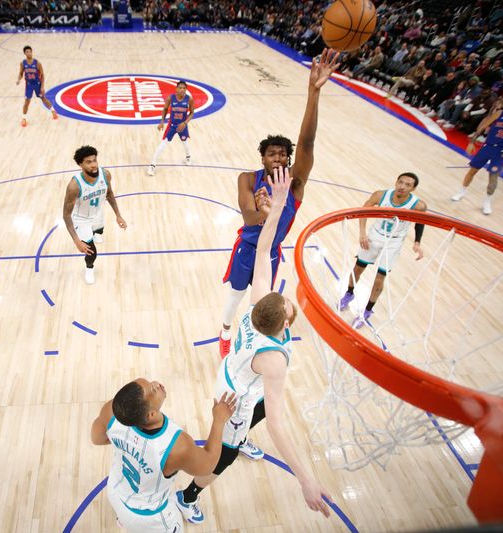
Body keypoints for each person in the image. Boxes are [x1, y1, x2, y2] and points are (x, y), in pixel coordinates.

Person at [176, 167, 334, 524]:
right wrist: (306, 479)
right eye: (289, 304)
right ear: (285, 324)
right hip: (233, 399)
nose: (286, 298)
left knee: (259, 406)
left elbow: (265, 248)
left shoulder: (258, 304)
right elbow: (279, 424)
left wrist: (278, 206)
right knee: (224, 457)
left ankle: (241, 435)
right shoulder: (274, 360)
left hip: (238, 375)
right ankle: (188, 496)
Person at [219, 49, 339, 357]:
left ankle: (250, 342)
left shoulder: (295, 183)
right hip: (247, 247)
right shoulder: (248, 178)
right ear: (262, 158)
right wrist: (261, 211)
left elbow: (308, 142)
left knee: (259, 304)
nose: (278, 157)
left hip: (270, 252)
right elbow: (248, 219)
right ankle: (224, 331)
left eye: (283, 154)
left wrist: (313, 93)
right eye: (272, 153)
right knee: (234, 297)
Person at [90, 380, 237, 532]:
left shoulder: (114, 411)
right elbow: (209, 465)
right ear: (151, 414)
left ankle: (124, 520)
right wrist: (219, 421)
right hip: (148, 518)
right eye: (152, 390)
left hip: (116, 491)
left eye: (150, 382)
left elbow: (97, 439)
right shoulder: (176, 446)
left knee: (125, 516)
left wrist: (126, 444)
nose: (156, 384)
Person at [338, 173, 427, 329]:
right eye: (400, 182)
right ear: (396, 181)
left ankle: (367, 311)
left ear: (413, 189)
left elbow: (420, 223)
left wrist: (417, 243)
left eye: (407, 185)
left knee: (380, 277)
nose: (402, 186)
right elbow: (363, 211)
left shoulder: (418, 205)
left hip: (394, 242)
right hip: (375, 236)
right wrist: (362, 233)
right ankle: (349, 294)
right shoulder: (380, 195)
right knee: (358, 269)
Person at [450, 93, 503, 214]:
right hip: (487, 146)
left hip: (502, 151)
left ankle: (487, 202)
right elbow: (484, 125)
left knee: (493, 178)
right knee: (472, 170)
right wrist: (472, 141)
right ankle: (461, 192)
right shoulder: (500, 113)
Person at [62, 145, 127, 284]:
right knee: (91, 251)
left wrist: (118, 215)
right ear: (80, 164)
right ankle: (89, 268)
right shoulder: (74, 186)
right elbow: (66, 215)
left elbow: (109, 194)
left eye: (94, 160)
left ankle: (96, 233)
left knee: (100, 230)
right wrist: (76, 240)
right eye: (88, 162)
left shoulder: (106, 174)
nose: (94, 165)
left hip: (97, 213)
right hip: (81, 219)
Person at [147, 80, 195, 176]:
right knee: (163, 144)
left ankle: (188, 156)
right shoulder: (170, 98)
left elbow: (192, 112)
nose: (182, 90)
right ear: (176, 89)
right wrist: (161, 122)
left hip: (182, 125)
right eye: (180, 88)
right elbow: (164, 109)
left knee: (184, 142)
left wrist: (185, 123)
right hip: (172, 125)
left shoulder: (189, 99)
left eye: (184, 88)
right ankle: (152, 165)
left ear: (186, 90)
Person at [16, 45, 57, 127]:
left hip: (37, 84)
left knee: (43, 99)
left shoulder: (37, 63)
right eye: (27, 52)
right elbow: (20, 73)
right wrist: (18, 79)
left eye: (30, 51)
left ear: (32, 52)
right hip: (29, 85)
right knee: (27, 102)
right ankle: (24, 118)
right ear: (24, 53)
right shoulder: (23, 63)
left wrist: (42, 87)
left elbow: (42, 75)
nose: (29, 53)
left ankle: (53, 111)